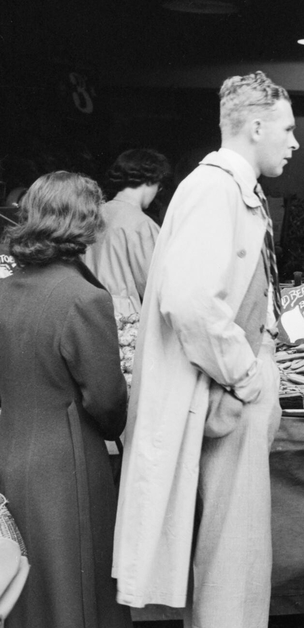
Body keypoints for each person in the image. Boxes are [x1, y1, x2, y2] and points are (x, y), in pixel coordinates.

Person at [112, 71, 297, 626]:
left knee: (232, 557)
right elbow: (191, 301)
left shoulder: (226, 189)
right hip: (224, 398)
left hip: (224, 397)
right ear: (257, 126)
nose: (294, 143)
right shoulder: (214, 189)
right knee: (231, 563)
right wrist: (248, 375)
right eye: (287, 130)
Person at [0, 172, 131, 628]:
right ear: (85, 224)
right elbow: (108, 400)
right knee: (75, 593)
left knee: (23, 591)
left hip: (10, 455)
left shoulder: (2, 291)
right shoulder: (84, 298)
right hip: (67, 464)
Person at [82, 148, 170, 318]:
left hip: (87, 310)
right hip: (123, 318)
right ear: (152, 181)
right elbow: (154, 286)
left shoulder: (93, 214)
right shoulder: (142, 224)